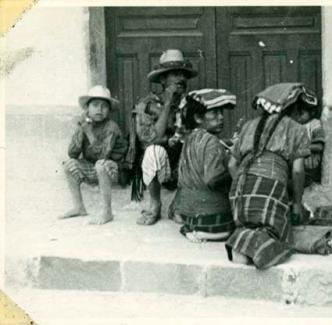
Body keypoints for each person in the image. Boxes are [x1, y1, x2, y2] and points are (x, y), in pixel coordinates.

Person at [225, 83, 315, 269]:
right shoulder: (297, 129)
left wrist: (244, 185)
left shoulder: (248, 125)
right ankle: (257, 248)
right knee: (278, 234)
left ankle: (241, 242)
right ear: (293, 107)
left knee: (249, 225)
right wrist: (297, 203)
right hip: (270, 188)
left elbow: (232, 164)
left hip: (239, 192)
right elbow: (298, 171)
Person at [126, 49, 197, 226]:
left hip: (183, 162)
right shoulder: (148, 104)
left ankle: (179, 204)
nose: (180, 78)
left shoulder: (192, 104)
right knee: (153, 151)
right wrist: (167, 104)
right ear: (163, 79)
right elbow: (150, 138)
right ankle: (155, 203)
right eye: (174, 74)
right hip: (161, 163)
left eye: (183, 74)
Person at [59, 85, 128, 225]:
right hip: (93, 167)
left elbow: (103, 155)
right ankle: (79, 207)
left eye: (104, 106)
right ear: (87, 109)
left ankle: (107, 212)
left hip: (115, 169)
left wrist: (89, 133)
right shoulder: (86, 124)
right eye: (95, 105)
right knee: (69, 165)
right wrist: (82, 130)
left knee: (101, 165)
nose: (99, 110)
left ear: (108, 111)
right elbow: (72, 153)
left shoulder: (111, 127)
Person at [175, 89, 236, 242]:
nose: (221, 117)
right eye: (214, 113)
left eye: (221, 112)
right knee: (234, 229)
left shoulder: (189, 138)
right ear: (198, 117)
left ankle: (190, 229)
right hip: (210, 214)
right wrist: (234, 168)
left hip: (189, 213)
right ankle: (206, 233)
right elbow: (212, 179)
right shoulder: (212, 141)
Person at [298, 105, 325, 187]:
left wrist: (299, 148)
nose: (299, 117)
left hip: (310, 167)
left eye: (301, 113)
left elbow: (319, 146)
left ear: (312, 112)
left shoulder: (314, 123)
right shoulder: (297, 124)